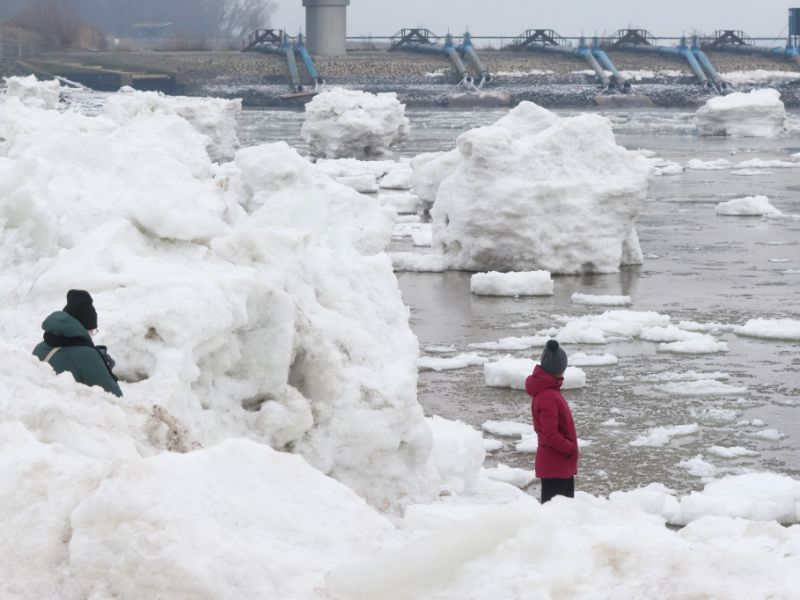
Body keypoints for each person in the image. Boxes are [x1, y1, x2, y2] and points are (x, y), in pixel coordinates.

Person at [33, 289, 122, 397]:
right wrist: (105, 370)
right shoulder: (88, 356)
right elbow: (115, 396)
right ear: (81, 329)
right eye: (91, 331)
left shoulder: (39, 348)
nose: (91, 335)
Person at [525, 339, 577, 503]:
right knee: (554, 516)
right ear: (559, 369)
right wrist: (569, 448)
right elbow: (550, 434)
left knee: (564, 513)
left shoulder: (549, 392)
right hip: (555, 466)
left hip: (559, 465)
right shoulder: (548, 396)